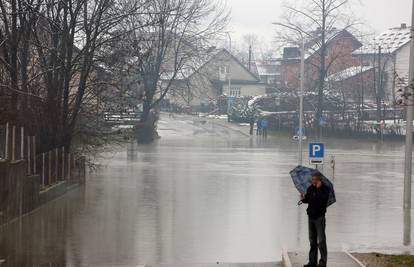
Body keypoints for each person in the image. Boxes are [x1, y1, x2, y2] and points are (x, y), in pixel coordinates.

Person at [301, 172, 330, 267]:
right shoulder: (310, 188)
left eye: (314, 179)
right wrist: (303, 198)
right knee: (312, 240)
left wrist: (318, 189)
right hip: (311, 217)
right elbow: (307, 200)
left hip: (319, 218)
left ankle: (322, 262)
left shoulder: (325, 189)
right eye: (312, 179)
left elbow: (324, 200)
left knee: (321, 241)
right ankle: (312, 262)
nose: (313, 181)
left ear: (319, 180)